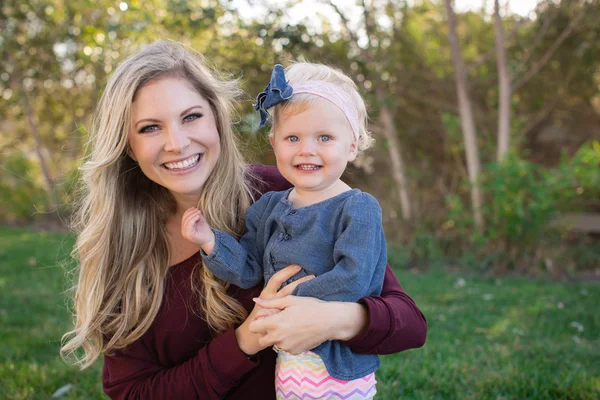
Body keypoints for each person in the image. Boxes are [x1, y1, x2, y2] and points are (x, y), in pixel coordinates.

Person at [60, 41, 427, 400]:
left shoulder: (289, 194)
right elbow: (134, 391)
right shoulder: (123, 249)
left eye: (191, 117)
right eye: (150, 128)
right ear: (128, 145)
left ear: (217, 119)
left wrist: (335, 319)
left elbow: (408, 324)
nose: (177, 143)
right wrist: (246, 340)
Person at [182, 62, 386, 399]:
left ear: (352, 145)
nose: (307, 149)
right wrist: (210, 242)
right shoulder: (269, 207)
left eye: (325, 137)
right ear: (275, 143)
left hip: (337, 367)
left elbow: (354, 278)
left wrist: (286, 305)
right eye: (293, 137)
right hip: (290, 365)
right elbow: (248, 270)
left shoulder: (357, 208)